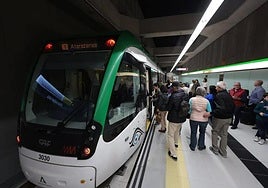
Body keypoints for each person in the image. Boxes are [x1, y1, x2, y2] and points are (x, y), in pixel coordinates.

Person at [209, 81, 235, 158]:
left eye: (217, 87)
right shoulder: (228, 95)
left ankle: (215, 149)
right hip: (228, 118)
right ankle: (223, 152)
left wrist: (211, 113)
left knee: (215, 132)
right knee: (224, 134)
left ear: (220, 88)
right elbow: (233, 106)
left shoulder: (218, 96)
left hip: (220, 118)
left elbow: (220, 108)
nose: (216, 88)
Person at [166, 81, 188, 161]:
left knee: (170, 135)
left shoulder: (173, 96)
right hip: (182, 117)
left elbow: (168, 107)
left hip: (173, 118)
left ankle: (173, 153)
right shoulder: (185, 94)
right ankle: (176, 143)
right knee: (177, 131)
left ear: (174, 87)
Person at [188, 87, 212, 151]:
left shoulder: (191, 99)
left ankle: (193, 146)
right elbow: (209, 110)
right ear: (204, 93)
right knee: (202, 132)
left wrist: (191, 113)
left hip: (193, 118)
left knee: (193, 132)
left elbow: (189, 110)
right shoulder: (206, 101)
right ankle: (201, 146)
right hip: (204, 120)